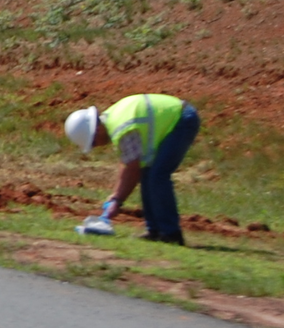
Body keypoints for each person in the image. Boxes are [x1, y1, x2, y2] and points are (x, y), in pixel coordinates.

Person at [65, 95, 201, 245]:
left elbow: (132, 169)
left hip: (182, 120)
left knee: (158, 175)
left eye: (94, 142)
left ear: (97, 130)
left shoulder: (122, 129)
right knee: (148, 173)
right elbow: (129, 163)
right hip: (176, 117)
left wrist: (118, 200)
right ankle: (155, 230)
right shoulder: (113, 118)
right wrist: (115, 196)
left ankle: (171, 234)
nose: (97, 146)